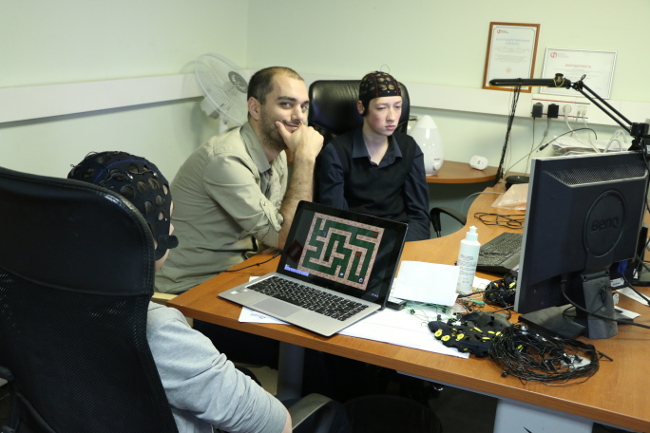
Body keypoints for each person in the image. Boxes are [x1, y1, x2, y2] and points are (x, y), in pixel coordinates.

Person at [67, 151, 294, 433]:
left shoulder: (33, 304)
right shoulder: (155, 329)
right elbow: (277, 424)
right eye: (166, 218)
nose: (172, 227)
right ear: (145, 236)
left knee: (244, 377)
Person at [155, 66, 323, 295]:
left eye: (303, 107)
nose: (300, 117)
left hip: (241, 270)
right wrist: (304, 159)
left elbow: (285, 229)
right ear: (255, 108)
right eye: (286, 104)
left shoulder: (278, 153)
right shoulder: (226, 159)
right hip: (190, 286)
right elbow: (286, 239)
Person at [317, 71, 430, 242]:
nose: (392, 117)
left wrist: (402, 248)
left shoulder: (409, 148)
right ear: (362, 108)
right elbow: (335, 220)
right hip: (353, 241)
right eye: (382, 108)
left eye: (397, 106)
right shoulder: (337, 152)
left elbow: (419, 217)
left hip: (399, 240)